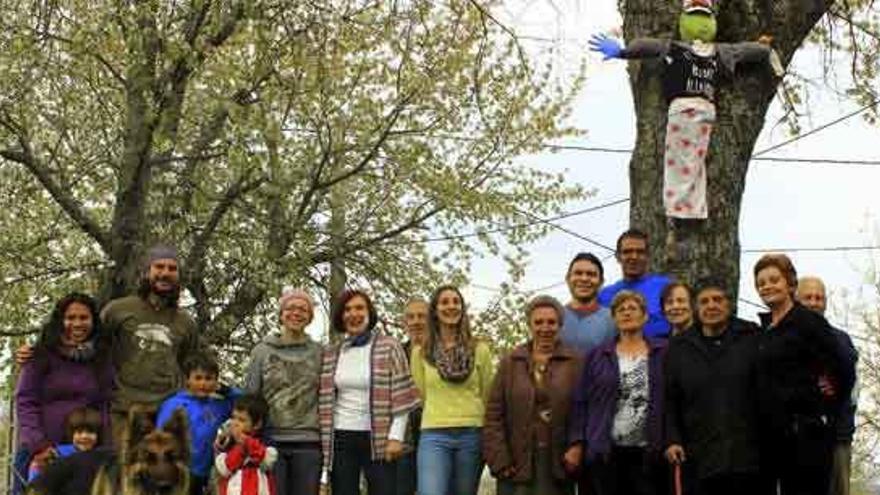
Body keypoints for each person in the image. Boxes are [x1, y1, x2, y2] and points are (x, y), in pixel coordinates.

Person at [753, 254, 854, 495]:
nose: (767, 286)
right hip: (771, 437)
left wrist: (826, 404)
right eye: (761, 283)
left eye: (774, 280)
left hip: (807, 437)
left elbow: (844, 369)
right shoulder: (764, 329)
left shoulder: (809, 322)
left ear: (790, 283)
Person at [318, 289, 421, 495]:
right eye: (347, 309)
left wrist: (396, 436)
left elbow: (401, 395)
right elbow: (326, 398)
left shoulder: (389, 346)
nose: (353, 314)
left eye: (359, 308)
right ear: (341, 316)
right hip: (341, 436)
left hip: (379, 438)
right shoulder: (332, 352)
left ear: (369, 312)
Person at [664, 282, 762, 495]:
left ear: (729, 304)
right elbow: (670, 399)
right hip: (698, 455)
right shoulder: (679, 347)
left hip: (747, 456)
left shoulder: (752, 337)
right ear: (696, 308)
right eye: (704, 301)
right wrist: (672, 440)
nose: (711, 306)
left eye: (717, 300)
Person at [101, 244, 202, 447]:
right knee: (122, 473)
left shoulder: (186, 322)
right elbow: (91, 347)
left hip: (167, 413)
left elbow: (191, 364)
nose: (165, 273)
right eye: (159, 267)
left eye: (172, 269)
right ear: (147, 272)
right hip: (123, 411)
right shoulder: (117, 310)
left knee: (163, 475)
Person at [570, 290, 668, 495]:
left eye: (632, 308)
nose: (626, 313)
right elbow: (580, 401)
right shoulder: (598, 355)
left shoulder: (663, 352)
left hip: (650, 453)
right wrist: (577, 443)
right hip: (606, 452)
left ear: (645, 316)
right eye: (620, 310)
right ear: (614, 318)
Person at [483, 295, 583, 495]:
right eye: (538, 322)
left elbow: (583, 410)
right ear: (529, 324)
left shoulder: (575, 362)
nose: (545, 328)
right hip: (517, 460)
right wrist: (499, 459)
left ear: (560, 325)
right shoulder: (511, 361)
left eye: (551, 322)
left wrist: (577, 447)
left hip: (558, 461)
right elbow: (494, 414)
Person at [14, 292, 113, 493]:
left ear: (93, 321)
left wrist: (104, 444)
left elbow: (105, 402)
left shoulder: (102, 359)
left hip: (85, 451)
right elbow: (25, 400)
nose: (77, 323)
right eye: (70, 318)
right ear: (60, 321)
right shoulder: (40, 354)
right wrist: (38, 444)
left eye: (84, 318)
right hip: (42, 450)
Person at [411, 285, 495, 495]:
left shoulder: (480, 349)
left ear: (462, 308)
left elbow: (488, 396)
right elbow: (421, 396)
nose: (451, 306)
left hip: (472, 434)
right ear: (435, 310)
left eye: (456, 302)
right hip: (434, 434)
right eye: (445, 302)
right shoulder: (421, 352)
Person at [246, 288, 323, 495]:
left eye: (303, 309)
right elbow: (251, 397)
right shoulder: (261, 351)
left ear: (310, 317)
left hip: (309, 442)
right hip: (270, 441)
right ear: (281, 314)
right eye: (290, 308)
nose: (296, 313)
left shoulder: (319, 353)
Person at [796, 276, 859, 495]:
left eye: (819, 298)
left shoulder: (842, 341)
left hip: (836, 439)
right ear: (796, 300)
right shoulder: (783, 339)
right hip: (796, 440)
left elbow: (852, 392)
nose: (814, 302)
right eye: (807, 297)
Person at [157, 352, 238, 495]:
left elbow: (245, 400)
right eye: (198, 378)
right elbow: (161, 437)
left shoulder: (218, 405)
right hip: (179, 471)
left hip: (204, 473)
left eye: (209, 379)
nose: (203, 383)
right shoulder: (174, 404)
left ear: (216, 381)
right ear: (187, 379)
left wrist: (225, 390)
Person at [598, 230, 672, 337]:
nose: (634, 256)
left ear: (648, 256)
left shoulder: (666, 288)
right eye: (627, 252)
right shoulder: (604, 295)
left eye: (640, 252)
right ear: (618, 256)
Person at [396, 298, 429, 495]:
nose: (416, 321)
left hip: (435, 433)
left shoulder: (443, 354)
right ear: (404, 322)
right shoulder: (396, 353)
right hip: (404, 438)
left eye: (421, 316)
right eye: (411, 317)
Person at [215, 394, 278, 495]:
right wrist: (236, 446)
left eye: (241, 420)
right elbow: (224, 469)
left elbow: (267, 462)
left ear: (257, 424)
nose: (235, 423)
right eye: (234, 418)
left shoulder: (265, 441)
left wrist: (247, 442)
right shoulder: (228, 442)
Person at [26, 407, 103, 484]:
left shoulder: (103, 459)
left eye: (90, 432)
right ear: (71, 434)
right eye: (79, 432)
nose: (84, 436)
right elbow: (35, 482)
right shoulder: (54, 455)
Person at [560, 252, 616, 355]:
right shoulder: (554, 317)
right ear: (567, 279)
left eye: (591, 274)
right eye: (578, 273)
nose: (584, 278)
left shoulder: (614, 320)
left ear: (601, 282)